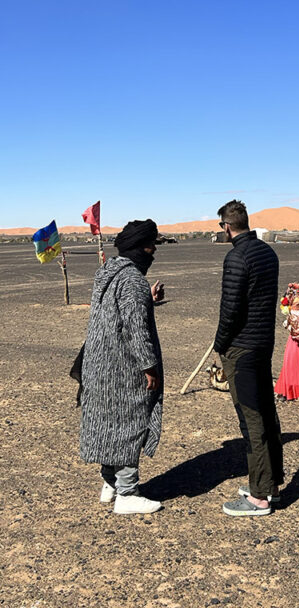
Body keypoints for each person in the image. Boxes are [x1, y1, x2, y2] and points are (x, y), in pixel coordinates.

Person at [79, 219, 164, 515]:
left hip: (99, 364)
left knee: (108, 422)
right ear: (140, 247)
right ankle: (127, 492)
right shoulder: (133, 280)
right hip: (123, 367)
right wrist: (148, 366)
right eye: (151, 245)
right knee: (130, 423)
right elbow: (135, 328)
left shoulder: (108, 272)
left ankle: (110, 482)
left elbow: (120, 311)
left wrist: (147, 300)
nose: (154, 251)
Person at [213, 199, 283, 517]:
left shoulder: (236, 256)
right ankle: (270, 484)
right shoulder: (267, 252)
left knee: (252, 419)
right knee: (266, 414)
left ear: (227, 226)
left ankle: (258, 498)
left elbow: (231, 309)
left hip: (241, 348)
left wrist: (220, 343)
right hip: (262, 344)